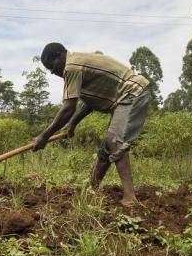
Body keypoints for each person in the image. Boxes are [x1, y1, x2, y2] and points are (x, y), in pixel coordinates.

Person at [32, 42, 151, 206]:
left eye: (51, 66)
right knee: (106, 148)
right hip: (125, 97)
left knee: (113, 139)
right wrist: (73, 123)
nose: (52, 72)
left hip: (132, 92)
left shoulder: (71, 67)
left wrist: (44, 136)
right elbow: (90, 102)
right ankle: (91, 190)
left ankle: (130, 197)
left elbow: (68, 108)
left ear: (60, 55)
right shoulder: (78, 63)